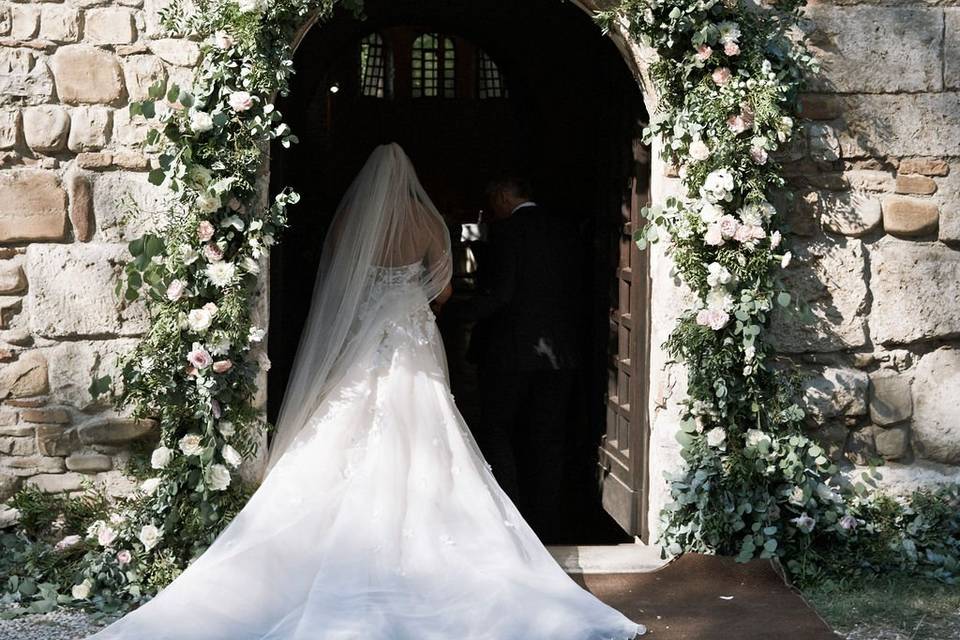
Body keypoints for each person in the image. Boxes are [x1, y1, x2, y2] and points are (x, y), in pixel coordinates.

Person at [87, 144, 644, 640]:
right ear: (410, 181)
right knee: (430, 423)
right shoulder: (428, 222)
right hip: (412, 334)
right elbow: (444, 286)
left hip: (365, 336)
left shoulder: (352, 217)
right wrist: (421, 306)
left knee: (345, 420)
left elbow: (337, 279)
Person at [462, 177, 583, 540]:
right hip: (561, 353)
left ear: (501, 197)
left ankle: (510, 518)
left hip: (511, 352)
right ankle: (546, 523)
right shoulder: (566, 229)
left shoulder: (506, 232)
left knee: (497, 429)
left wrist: (454, 314)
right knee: (548, 437)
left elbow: (500, 294)